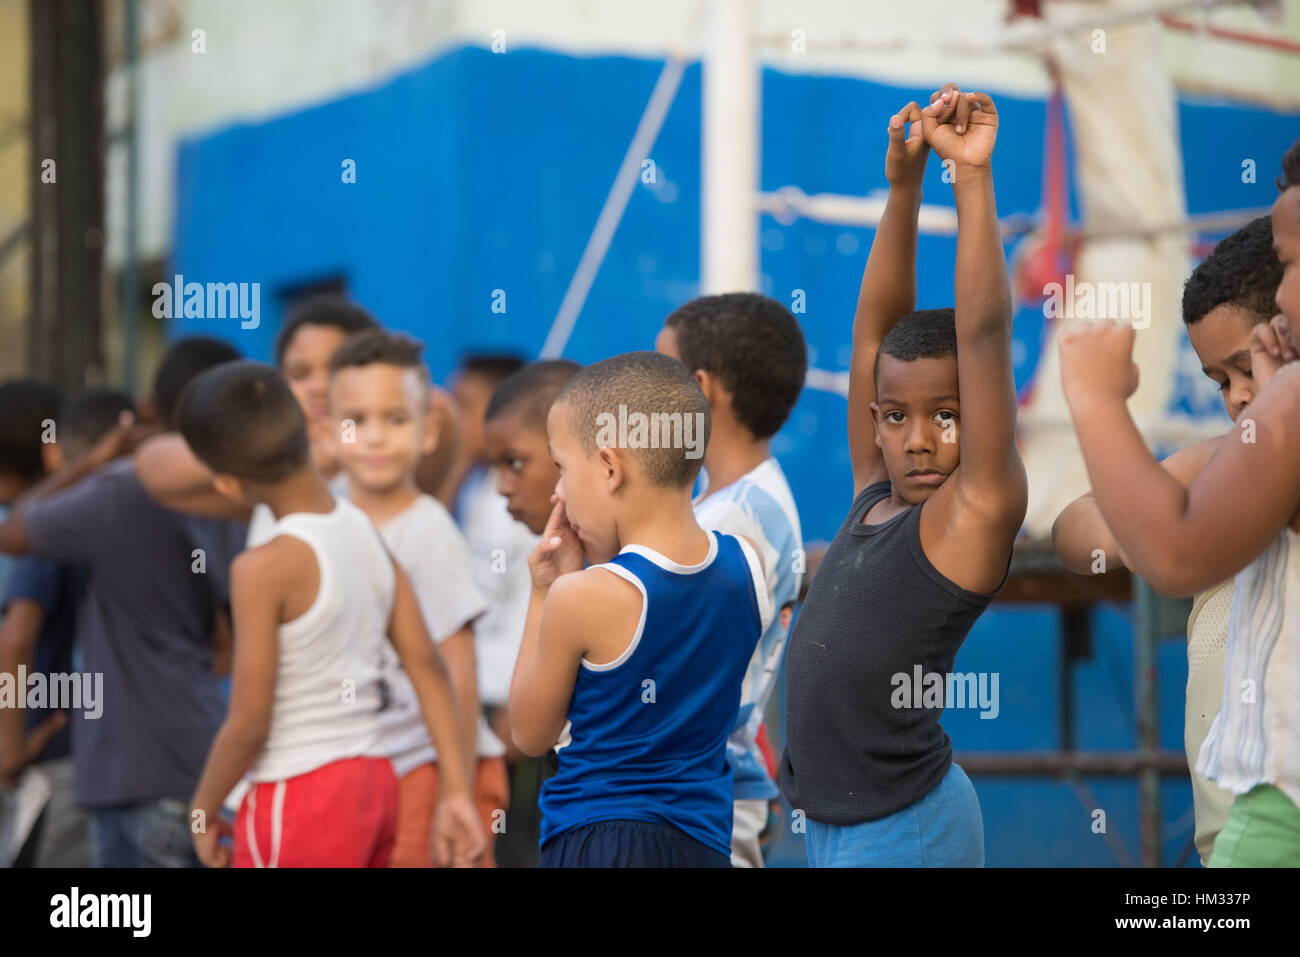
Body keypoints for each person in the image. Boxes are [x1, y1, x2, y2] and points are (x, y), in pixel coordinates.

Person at [779, 87, 1027, 867]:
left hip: (905, 829)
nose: (919, 440)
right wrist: (904, 186)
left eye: (947, 415)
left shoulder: (971, 512)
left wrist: (971, 180)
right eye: (896, 417)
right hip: (829, 828)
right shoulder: (871, 494)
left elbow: (983, 334)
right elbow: (870, 336)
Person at [1057, 138, 1300, 867]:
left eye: (1294, 265)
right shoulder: (1238, 455)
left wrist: (1097, 399)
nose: (1235, 397)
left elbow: (1171, 551)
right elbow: (1081, 530)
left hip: (1273, 812)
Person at [178, 360, 485, 868]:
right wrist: (456, 792)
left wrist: (203, 807)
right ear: (309, 430)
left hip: (299, 795)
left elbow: (249, 721)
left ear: (230, 485)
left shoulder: (261, 567)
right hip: (376, 785)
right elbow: (427, 666)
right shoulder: (363, 529)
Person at [510, 351, 772, 867]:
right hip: (702, 842)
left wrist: (542, 590)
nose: (558, 491)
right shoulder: (748, 562)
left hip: (599, 840)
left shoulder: (580, 597)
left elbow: (529, 732)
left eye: (562, 467)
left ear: (609, 467)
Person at [0, 337, 244, 867]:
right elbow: (226, 643)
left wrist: (97, 459)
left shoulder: (120, 487)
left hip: (132, 771)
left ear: (150, 411)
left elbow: (14, 530)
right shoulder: (235, 496)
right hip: (207, 756)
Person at [327, 329, 505, 867]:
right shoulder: (327, 522)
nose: (374, 437)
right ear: (330, 430)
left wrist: (459, 789)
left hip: (429, 770)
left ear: (428, 432)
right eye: (356, 421)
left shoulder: (429, 532)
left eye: (395, 419)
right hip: (362, 768)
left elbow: (458, 668)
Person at [656, 292, 806, 867]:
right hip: (716, 793)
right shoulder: (738, 499)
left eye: (658, 374)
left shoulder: (729, 521)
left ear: (699, 387)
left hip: (705, 804)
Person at [478, 359, 580, 866]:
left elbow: (530, 731)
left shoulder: (612, 581)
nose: (500, 486)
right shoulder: (554, 564)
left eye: (514, 463)